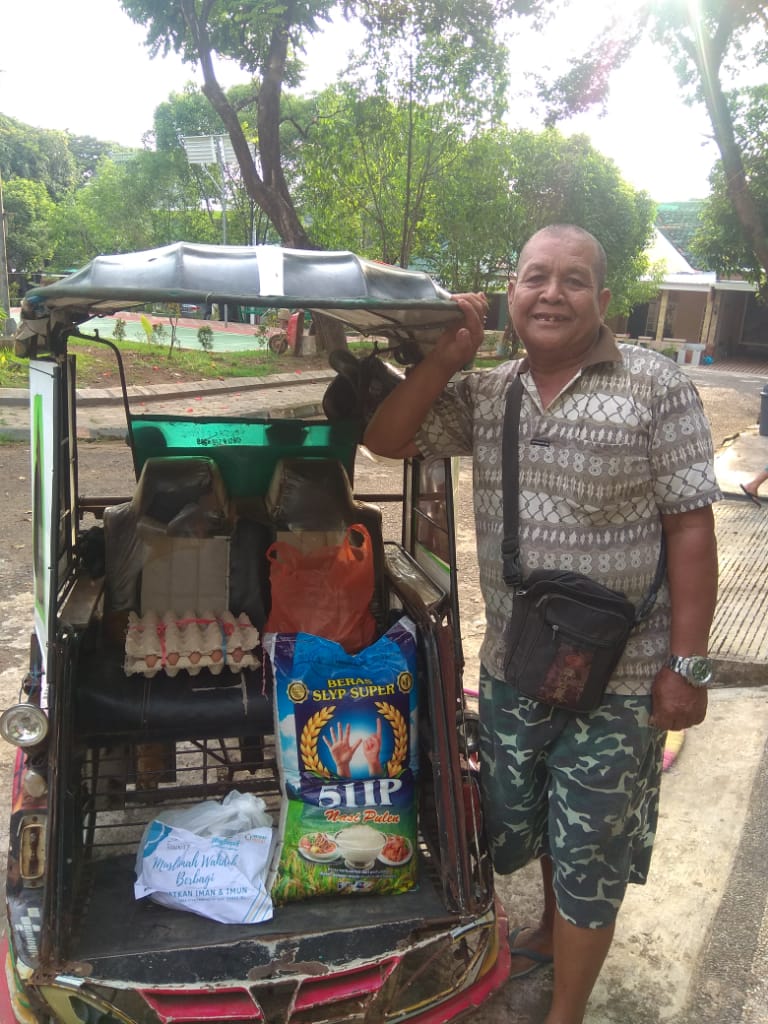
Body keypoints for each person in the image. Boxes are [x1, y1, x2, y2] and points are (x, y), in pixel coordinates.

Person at [362, 224, 720, 1024]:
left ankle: (566, 1011)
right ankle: (553, 932)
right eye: (534, 277)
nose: (552, 293)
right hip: (518, 664)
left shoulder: (657, 387)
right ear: (511, 291)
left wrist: (687, 667)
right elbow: (386, 439)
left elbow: (691, 529)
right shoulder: (490, 392)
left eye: (573, 279)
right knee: (521, 821)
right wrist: (446, 358)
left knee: (589, 845)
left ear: (603, 296)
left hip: (624, 678)